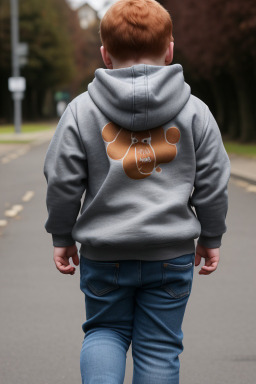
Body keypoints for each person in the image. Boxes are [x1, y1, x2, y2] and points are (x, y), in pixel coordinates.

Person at [43, 0, 230, 383]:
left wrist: (62, 236)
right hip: (170, 254)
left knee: (104, 331)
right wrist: (211, 235)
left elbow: (62, 180)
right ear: (170, 49)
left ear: (105, 54)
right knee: (160, 345)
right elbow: (212, 182)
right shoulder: (196, 111)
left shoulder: (80, 111)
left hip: (104, 254)